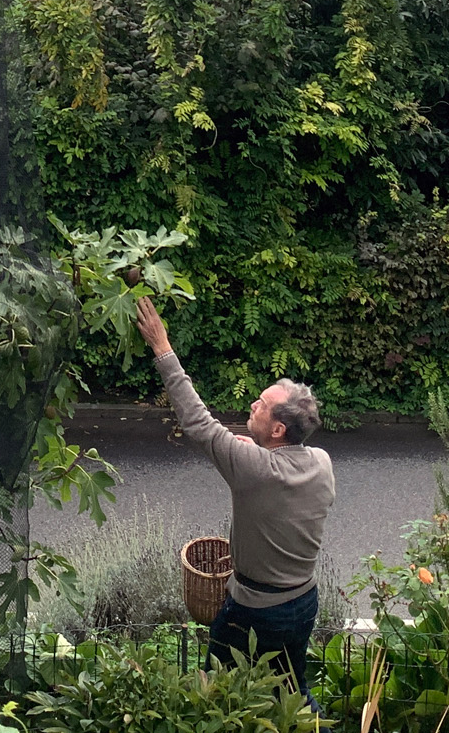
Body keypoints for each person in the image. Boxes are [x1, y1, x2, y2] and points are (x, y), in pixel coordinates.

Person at [135, 294, 335, 689]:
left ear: (278, 430)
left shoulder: (255, 470)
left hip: (256, 611)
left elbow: (198, 424)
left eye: (261, 405)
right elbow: (276, 468)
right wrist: (255, 451)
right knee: (290, 692)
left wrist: (162, 348)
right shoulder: (320, 461)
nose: (252, 405)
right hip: (303, 602)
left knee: (218, 694)